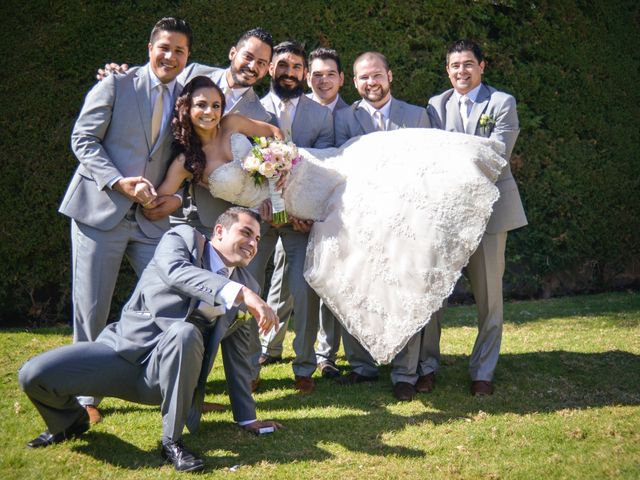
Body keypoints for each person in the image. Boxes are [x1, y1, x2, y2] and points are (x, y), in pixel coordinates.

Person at [19, 207, 282, 473]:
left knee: (185, 332)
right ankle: (69, 423)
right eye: (246, 233)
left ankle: (172, 442)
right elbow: (176, 271)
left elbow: (237, 356)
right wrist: (240, 293)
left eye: (258, 239)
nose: (252, 244)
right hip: (121, 354)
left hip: (164, 378)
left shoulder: (247, 284)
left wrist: (247, 418)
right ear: (219, 231)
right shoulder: (182, 239)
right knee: (33, 374)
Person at [58, 17, 192, 423]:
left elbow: (184, 157)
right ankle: (84, 396)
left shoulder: (186, 97)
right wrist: (118, 182)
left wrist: (175, 196)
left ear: (188, 57)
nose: (170, 56)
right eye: (164, 47)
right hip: (100, 210)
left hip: (150, 219)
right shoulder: (115, 84)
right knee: (92, 308)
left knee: (170, 298)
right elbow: (83, 139)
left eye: (180, 51)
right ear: (150, 47)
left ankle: (164, 383)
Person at [331, 51, 442, 401]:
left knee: (408, 293)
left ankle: (406, 373)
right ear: (354, 81)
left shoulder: (416, 115)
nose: (371, 82)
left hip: (408, 220)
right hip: (362, 222)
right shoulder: (343, 118)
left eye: (376, 75)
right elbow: (337, 165)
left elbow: (429, 168)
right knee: (359, 291)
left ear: (390, 76)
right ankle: (363, 365)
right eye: (363, 77)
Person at [428, 39, 528, 396]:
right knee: (432, 292)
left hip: (490, 211)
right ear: (447, 70)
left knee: (489, 297)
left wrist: (452, 159)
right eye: (455, 66)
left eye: (468, 64)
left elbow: (497, 156)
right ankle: (427, 365)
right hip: (447, 215)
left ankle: (483, 371)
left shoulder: (501, 103)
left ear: (482, 66)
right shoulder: (435, 105)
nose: (461, 71)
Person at [262, 47, 349, 380]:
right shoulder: (253, 108)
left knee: (306, 286)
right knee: (266, 284)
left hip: (306, 217)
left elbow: (327, 163)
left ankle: (310, 361)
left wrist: (305, 211)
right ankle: (260, 353)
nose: (290, 71)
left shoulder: (324, 115)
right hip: (263, 215)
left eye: (297, 67)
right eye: (283, 65)